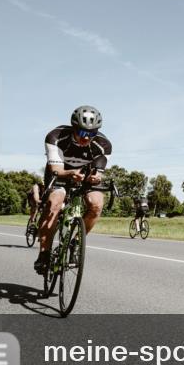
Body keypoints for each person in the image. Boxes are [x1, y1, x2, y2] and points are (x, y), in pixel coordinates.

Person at [34, 105, 112, 274]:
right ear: (74, 128)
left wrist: (95, 177)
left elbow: (98, 171)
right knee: (54, 203)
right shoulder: (56, 136)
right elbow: (56, 169)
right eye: (83, 133)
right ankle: (44, 254)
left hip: (83, 176)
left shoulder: (103, 145)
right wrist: (70, 173)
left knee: (97, 204)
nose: (87, 138)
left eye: (92, 133)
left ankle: (76, 241)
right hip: (60, 173)